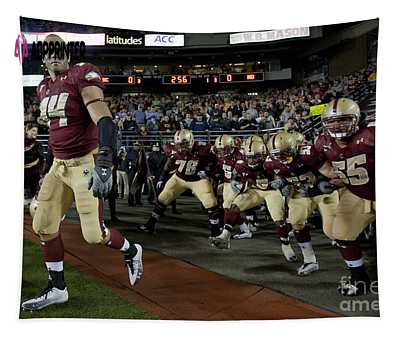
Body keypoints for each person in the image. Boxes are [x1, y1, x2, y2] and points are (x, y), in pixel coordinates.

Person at [21, 34, 143, 312]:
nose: (55, 55)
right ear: (43, 58)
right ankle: (57, 288)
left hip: (84, 164)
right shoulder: (43, 87)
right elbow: (56, 133)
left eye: (59, 50)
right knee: (42, 226)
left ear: (67, 53)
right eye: (49, 51)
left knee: (93, 235)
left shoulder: (81, 75)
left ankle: (131, 250)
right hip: (58, 165)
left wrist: (105, 161)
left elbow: (105, 120)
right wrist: (47, 170)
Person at [315, 98, 375, 296]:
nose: (336, 125)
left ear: (357, 119)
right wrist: (336, 176)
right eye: (331, 121)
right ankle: (360, 278)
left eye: (343, 120)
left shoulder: (371, 135)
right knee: (341, 233)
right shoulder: (323, 142)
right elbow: (321, 164)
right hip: (358, 193)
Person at [265, 131, 339, 276]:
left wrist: (323, 182)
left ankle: (354, 261)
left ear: (296, 147)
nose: (282, 159)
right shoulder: (271, 162)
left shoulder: (308, 153)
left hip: (322, 193)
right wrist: (284, 184)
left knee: (332, 231)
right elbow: (281, 175)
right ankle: (310, 260)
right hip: (300, 193)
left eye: (286, 154)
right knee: (296, 221)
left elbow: (331, 173)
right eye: (278, 155)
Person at [138, 129, 221, 236]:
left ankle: (215, 231)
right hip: (179, 178)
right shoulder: (173, 150)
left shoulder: (203, 149)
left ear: (191, 141)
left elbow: (216, 161)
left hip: (198, 180)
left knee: (210, 202)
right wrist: (162, 177)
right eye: (179, 144)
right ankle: (150, 225)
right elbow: (169, 163)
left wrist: (209, 172)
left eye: (184, 144)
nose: (181, 147)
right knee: (163, 198)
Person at [24, 123, 44, 203]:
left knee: (34, 197)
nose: (35, 133)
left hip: (34, 174)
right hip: (23, 173)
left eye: (36, 131)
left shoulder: (38, 145)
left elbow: (42, 160)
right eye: (33, 130)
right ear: (27, 131)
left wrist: (41, 172)